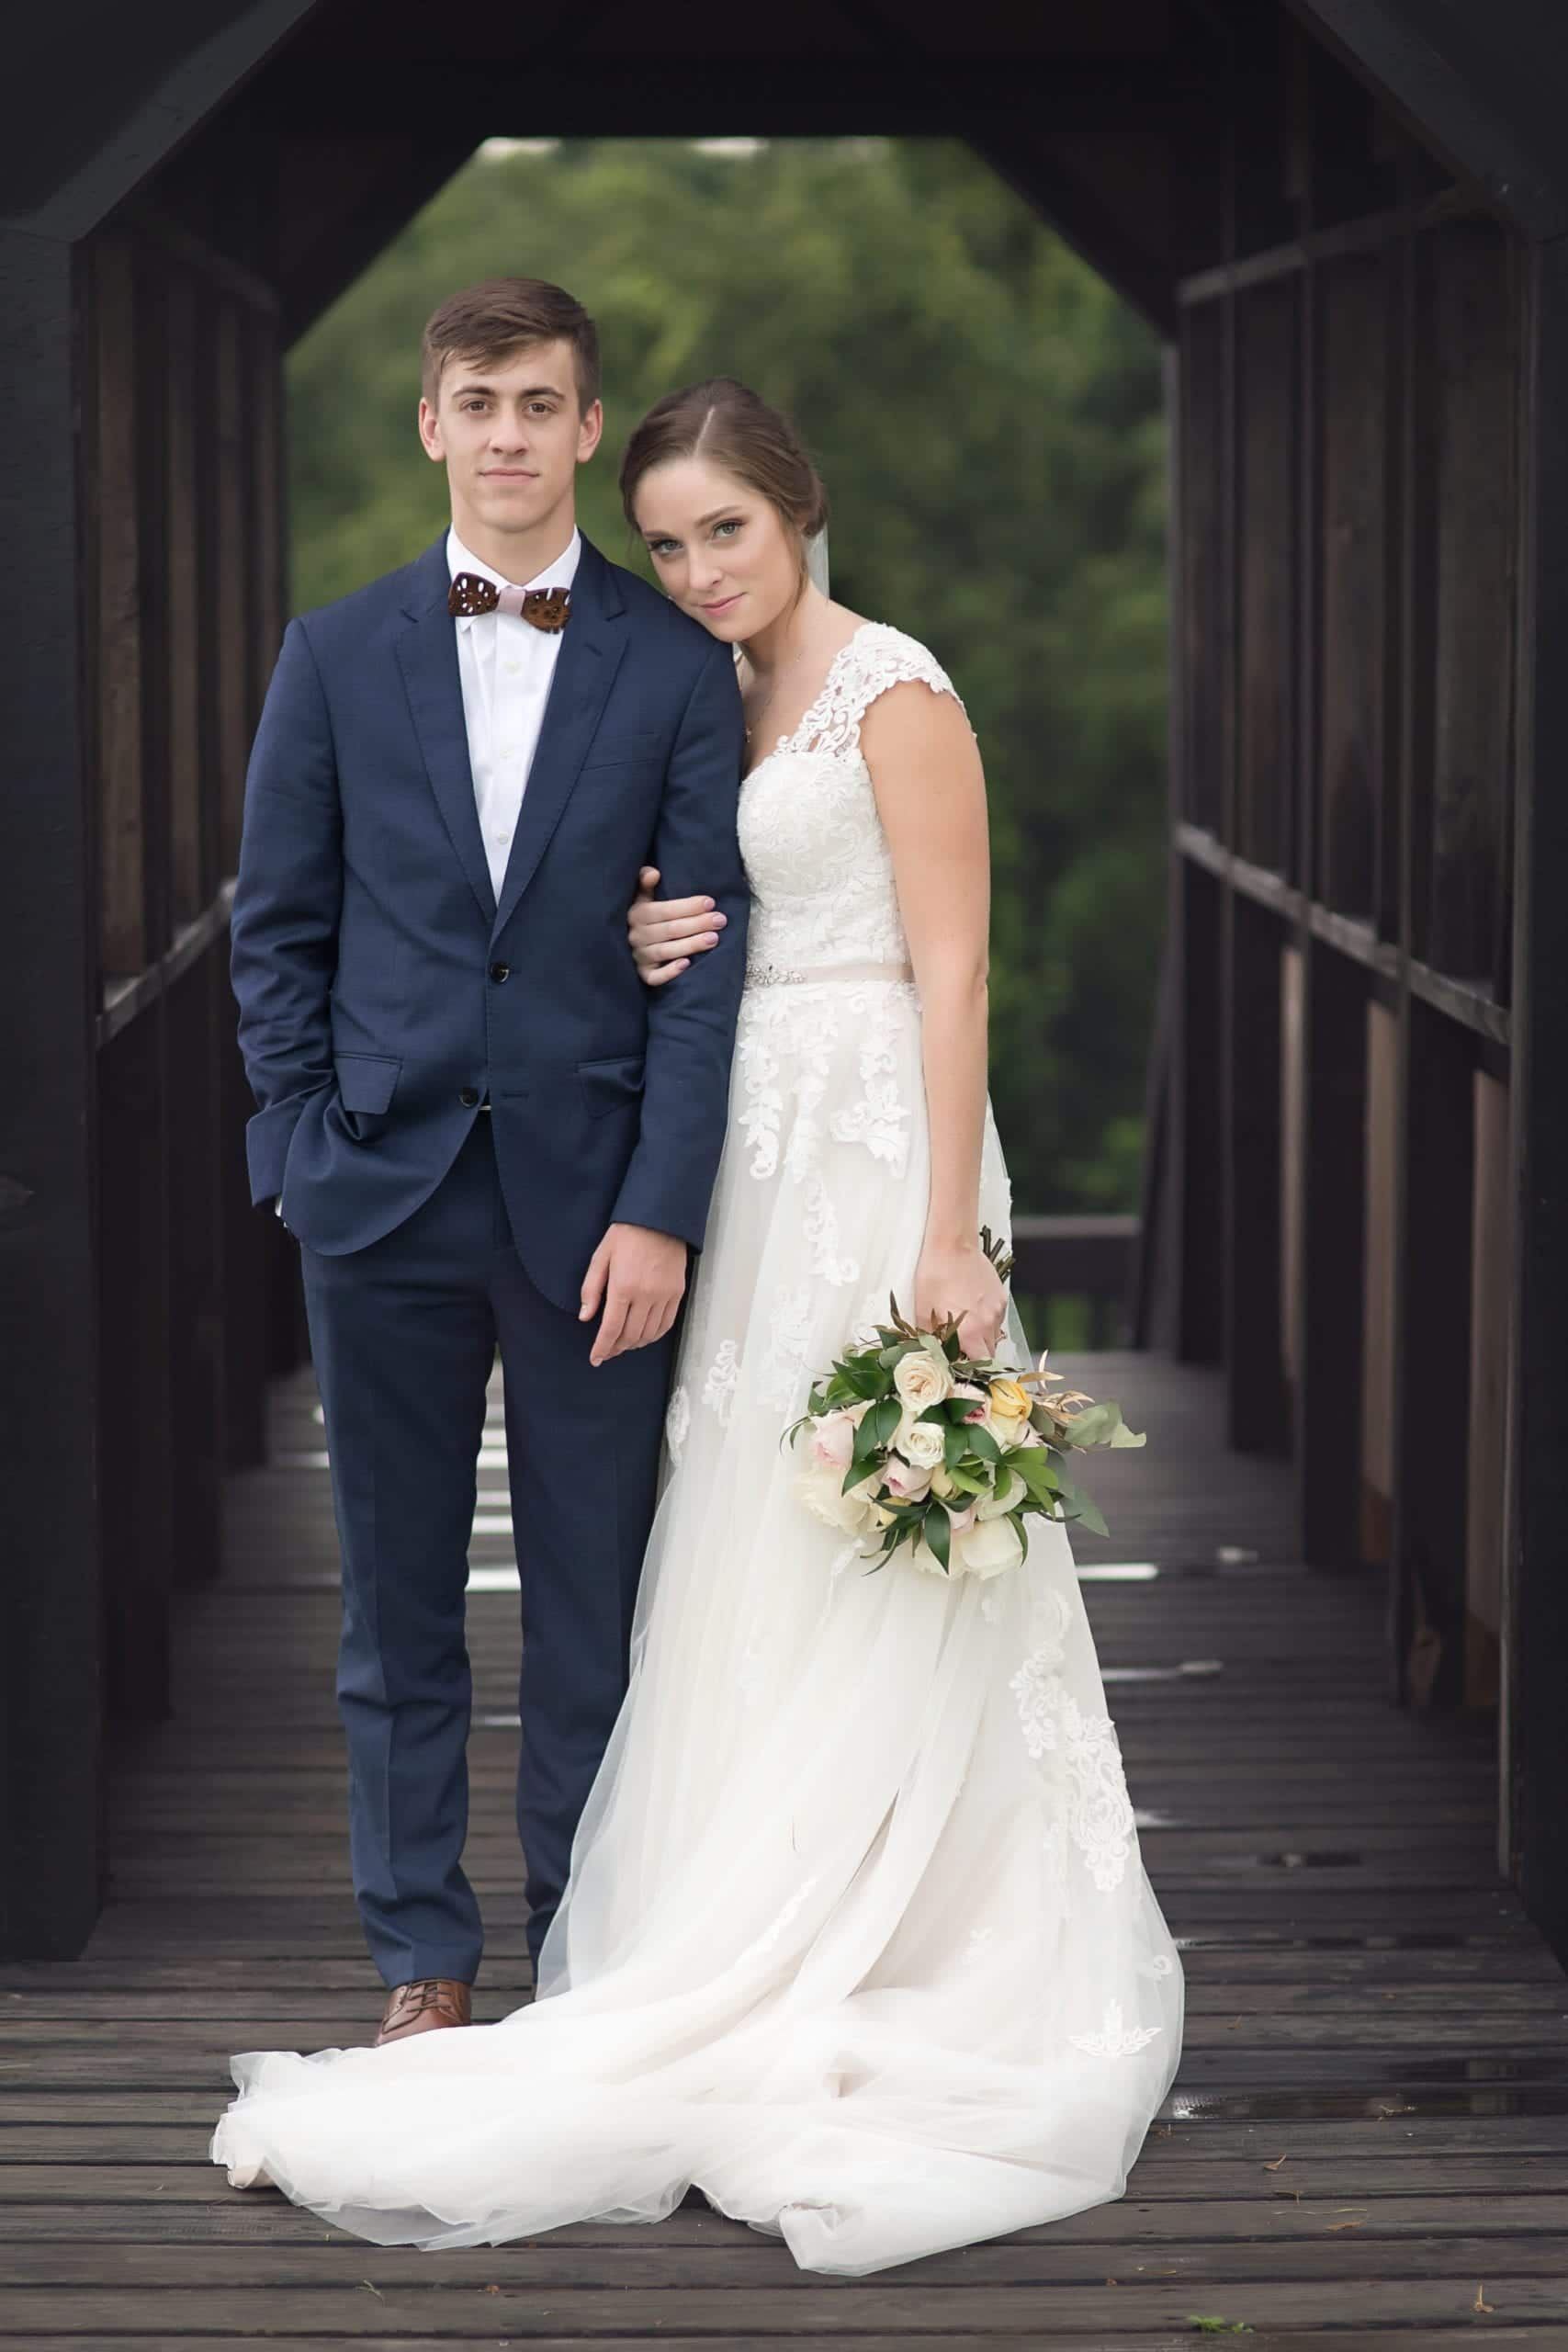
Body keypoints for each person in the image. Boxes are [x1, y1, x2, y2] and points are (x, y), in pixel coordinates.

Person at [212, 373, 1183, 2278]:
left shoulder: (889, 688)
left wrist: (948, 1236)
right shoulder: (684, 684)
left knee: (864, 1549)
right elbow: (641, 905)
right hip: (735, 1157)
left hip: (876, 1152)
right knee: (734, 1542)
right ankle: (694, 1920)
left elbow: (953, 955)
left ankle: (900, 1932)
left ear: (796, 509)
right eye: (666, 541)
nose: (692, 566)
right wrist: (667, 938)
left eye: (721, 528)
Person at [225, 278, 749, 2040]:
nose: (512, 435)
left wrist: (664, 1209)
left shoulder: (677, 669)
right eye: (481, 402)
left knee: (592, 1614)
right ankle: (420, 1964)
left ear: (589, 429)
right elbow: (277, 932)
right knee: (399, 1615)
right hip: (377, 1196)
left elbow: (703, 959)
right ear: (431, 424)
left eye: (543, 403)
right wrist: (294, 1148)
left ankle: (581, 1957)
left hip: (595, 1212)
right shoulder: (334, 653)